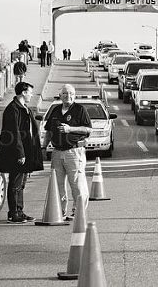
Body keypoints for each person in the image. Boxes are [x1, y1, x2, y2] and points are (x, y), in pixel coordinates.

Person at [42, 84, 92, 220]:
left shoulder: (80, 109)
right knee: (57, 185)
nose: (67, 96)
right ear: (60, 96)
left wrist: (71, 129)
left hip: (74, 151)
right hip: (57, 152)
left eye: (70, 93)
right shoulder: (56, 110)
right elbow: (49, 131)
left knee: (76, 183)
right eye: (65, 93)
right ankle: (60, 211)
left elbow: (88, 130)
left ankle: (78, 211)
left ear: (74, 95)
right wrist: (43, 147)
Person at [0, 81, 43, 223]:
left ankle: (20, 211)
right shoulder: (13, 109)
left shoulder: (24, 108)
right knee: (15, 183)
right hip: (16, 153)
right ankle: (13, 213)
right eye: (29, 92)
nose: (31, 95)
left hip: (25, 151)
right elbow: (14, 133)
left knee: (21, 183)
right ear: (23, 92)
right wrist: (20, 153)